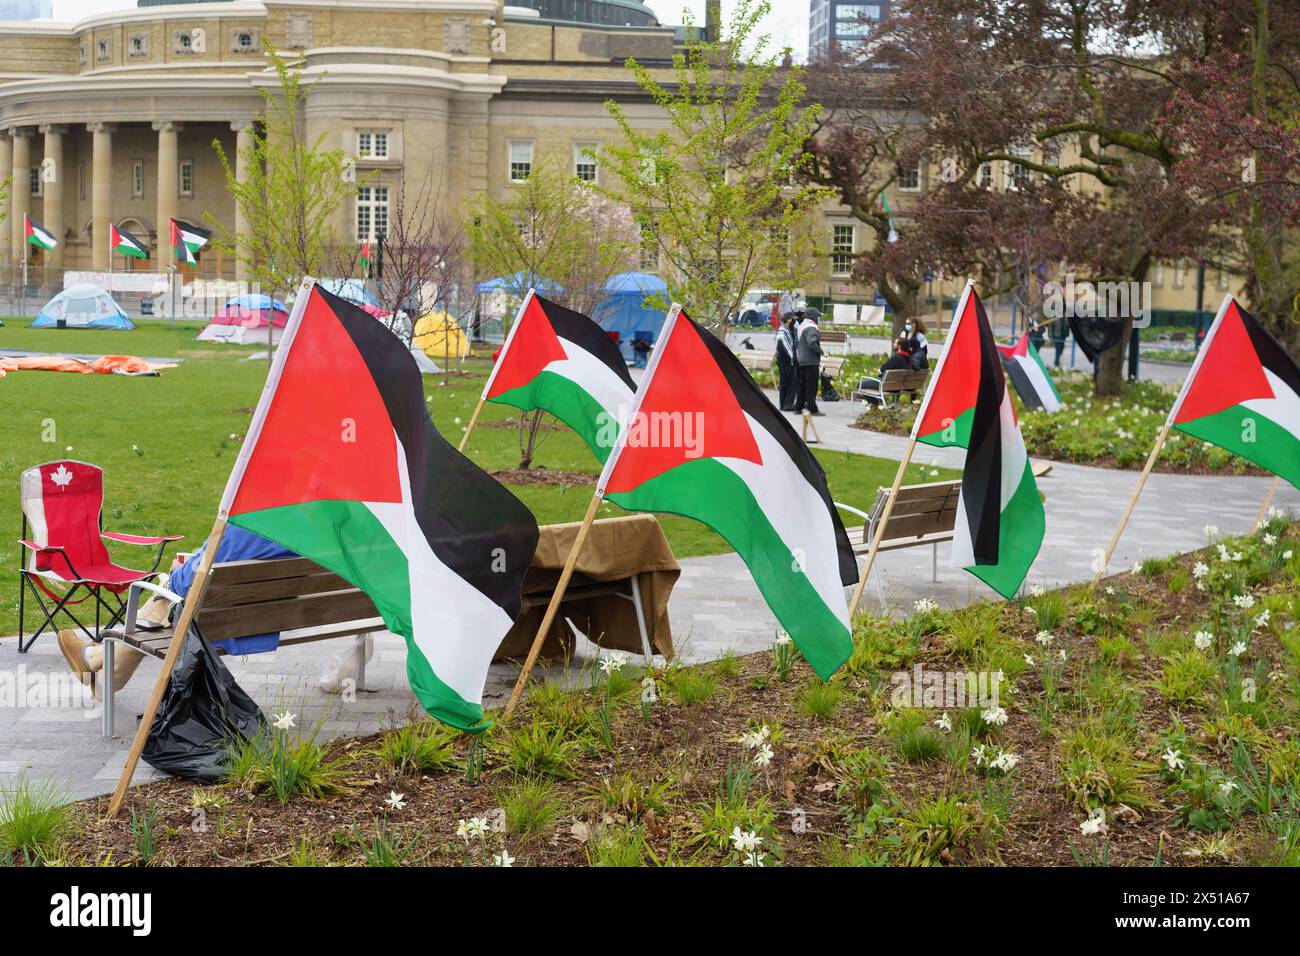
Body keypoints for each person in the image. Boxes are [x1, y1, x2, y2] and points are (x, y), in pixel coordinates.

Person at [793, 303, 823, 415]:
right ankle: (812, 408)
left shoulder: (801, 326)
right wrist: (820, 351)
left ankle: (798, 407)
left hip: (801, 359)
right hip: (811, 361)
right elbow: (812, 342)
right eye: (817, 316)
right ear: (813, 316)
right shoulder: (811, 327)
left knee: (802, 384)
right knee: (811, 385)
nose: (818, 318)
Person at [774, 310, 798, 411]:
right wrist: (789, 357)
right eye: (792, 319)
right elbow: (780, 345)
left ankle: (784, 404)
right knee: (788, 382)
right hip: (786, 362)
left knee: (787, 383)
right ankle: (786, 404)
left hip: (787, 361)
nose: (794, 321)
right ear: (788, 320)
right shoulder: (783, 330)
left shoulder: (787, 329)